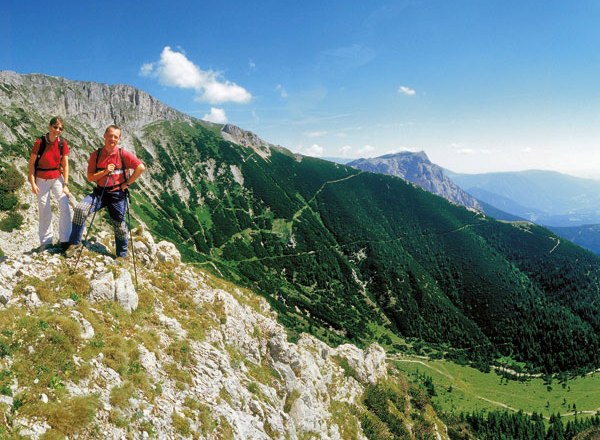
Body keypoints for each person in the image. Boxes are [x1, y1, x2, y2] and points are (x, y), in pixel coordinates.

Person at [65, 124, 145, 258]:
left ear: (118, 139)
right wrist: (105, 171)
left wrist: (127, 183)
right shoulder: (96, 155)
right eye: (110, 136)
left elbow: (140, 167)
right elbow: (90, 177)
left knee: (119, 225)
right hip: (99, 192)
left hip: (117, 194)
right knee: (80, 210)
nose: (112, 139)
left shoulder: (122, 154)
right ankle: (74, 244)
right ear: (104, 136)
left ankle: (122, 255)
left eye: (116, 137)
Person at [28, 116, 72, 251]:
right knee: (44, 209)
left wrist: (65, 184)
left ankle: (66, 240)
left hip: (57, 177)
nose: (57, 130)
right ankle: (46, 242)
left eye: (60, 128)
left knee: (64, 205)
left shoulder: (62, 143)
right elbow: (31, 164)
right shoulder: (40, 142)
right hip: (41, 179)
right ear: (49, 126)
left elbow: (65, 164)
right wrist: (33, 182)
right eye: (55, 127)